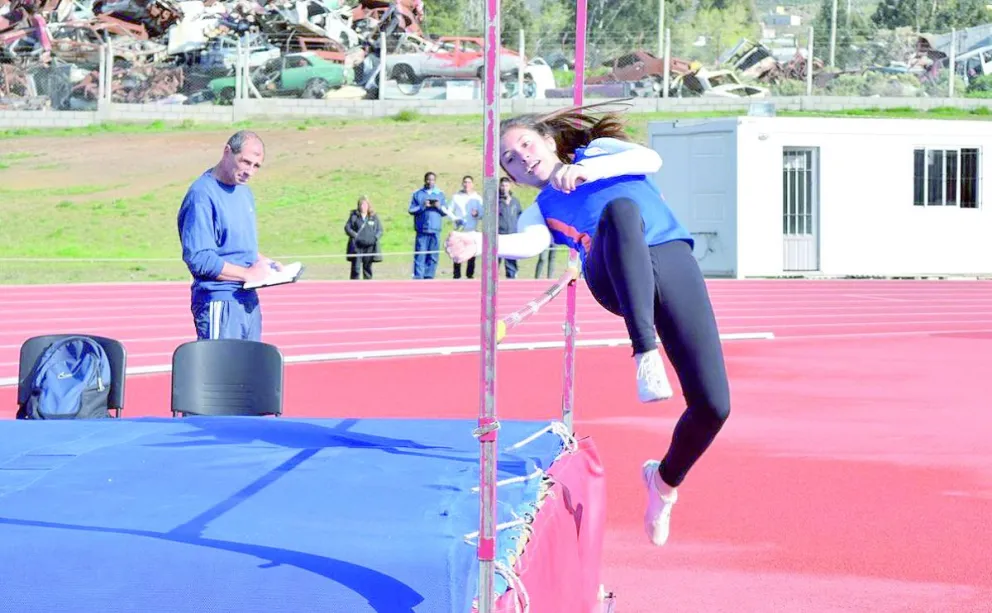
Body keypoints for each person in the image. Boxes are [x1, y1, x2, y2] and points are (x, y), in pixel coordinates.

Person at [444, 104, 731, 548]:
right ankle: (644, 352)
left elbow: (649, 160)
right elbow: (529, 243)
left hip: (672, 261)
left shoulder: (598, 153)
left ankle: (664, 482)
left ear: (548, 141)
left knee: (714, 406)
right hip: (611, 274)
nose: (521, 157)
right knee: (619, 211)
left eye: (525, 144)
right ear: (513, 178)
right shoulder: (541, 208)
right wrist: (479, 242)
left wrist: (586, 174)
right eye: (510, 160)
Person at [177, 130, 282, 341]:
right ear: (227, 152)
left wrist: (265, 262)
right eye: (245, 162)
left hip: (248, 299)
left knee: (248, 371)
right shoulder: (202, 195)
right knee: (223, 372)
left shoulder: (245, 192)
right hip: (220, 299)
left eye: (256, 166)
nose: (249, 171)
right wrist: (247, 274)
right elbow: (199, 258)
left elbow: (237, 245)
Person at [408, 171, 447, 279]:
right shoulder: (418, 194)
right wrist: (423, 206)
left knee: (433, 256)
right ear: (425, 180)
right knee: (420, 255)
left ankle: (429, 277)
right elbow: (411, 210)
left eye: (433, 180)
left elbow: (446, 211)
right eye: (428, 179)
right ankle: (418, 277)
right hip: (422, 230)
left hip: (435, 230)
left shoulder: (440, 194)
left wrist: (438, 206)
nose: (430, 182)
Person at [448, 175, 482, 279]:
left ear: (473, 184)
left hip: (472, 230)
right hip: (460, 230)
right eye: (465, 182)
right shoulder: (456, 197)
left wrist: (477, 214)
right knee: (457, 252)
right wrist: (455, 219)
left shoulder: (477, 198)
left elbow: (482, 213)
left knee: (471, 253)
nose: (467, 184)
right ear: (462, 184)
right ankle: (456, 274)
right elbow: (449, 211)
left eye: (469, 182)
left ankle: (470, 275)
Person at [344, 195, 383, 280]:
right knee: (356, 269)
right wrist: (355, 236)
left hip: (369, 246)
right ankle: (354, 287)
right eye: (361, 205)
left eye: (365, 205)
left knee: (367, 268)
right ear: (358, 206)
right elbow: (347, 228)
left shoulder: (373, 217)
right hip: (357, 247)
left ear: (368, 205)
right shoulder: (354, 216)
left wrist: (375, 238)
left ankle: (368, 287)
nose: (363, 207)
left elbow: (380, 230)